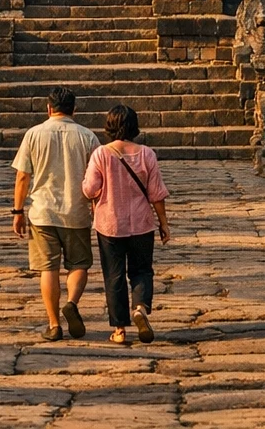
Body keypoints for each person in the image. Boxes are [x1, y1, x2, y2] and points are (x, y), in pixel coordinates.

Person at [12, 86, 100, 341]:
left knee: (48, 268)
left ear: (48, 108)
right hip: (76, 211)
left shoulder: (34, 134)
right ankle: (72, 302)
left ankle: (53, 324)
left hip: (42, 212)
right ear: (74, 109)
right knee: (79, 264)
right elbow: (97, 179)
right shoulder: (88, 137)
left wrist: (17, 211)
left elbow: (22, 176)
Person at [82, 104, 170, 346]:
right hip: (142, 223)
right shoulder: (147, 154)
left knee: (114, 275)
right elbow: (156, 194)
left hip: (110, 223)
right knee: (142, 270)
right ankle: (140, 307)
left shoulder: (101, 154)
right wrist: (163, 224)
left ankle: (120, 329)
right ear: (134, 126)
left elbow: (89, 189)